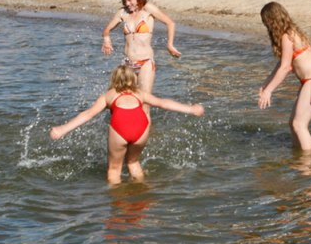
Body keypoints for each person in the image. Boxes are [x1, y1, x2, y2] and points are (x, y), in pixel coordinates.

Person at [49, 63, 204, 185]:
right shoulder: (140, 93)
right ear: (133, 79)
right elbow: (163, 103)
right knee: (133, 162)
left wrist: (63, 129)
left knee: (114, 169)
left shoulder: (109, 95)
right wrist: (190, 109)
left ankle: (119, 207)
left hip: (121, 127)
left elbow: (88, 114)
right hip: (141, 127)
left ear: (114, 80)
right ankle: (141, 194)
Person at [257, 2, 311, 152]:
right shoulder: (290, 32)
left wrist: (269, 91)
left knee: (299, 125)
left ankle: (308, 163)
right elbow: (282, 64)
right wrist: (266, 84)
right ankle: (298, 157)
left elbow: (285, 68)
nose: (266, 26)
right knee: (293, 124)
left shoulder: (287, 36)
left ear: (272, 19)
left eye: (266, 22)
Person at [100, 0, 180, 93]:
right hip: (128, 63)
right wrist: (106, 40)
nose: (127, 4)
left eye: (129, 0)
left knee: (144, 100)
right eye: (124, 0)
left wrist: (170, 45)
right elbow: (106, 30)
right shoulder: (122, 13)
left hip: (145, 62)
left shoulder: (148, 9)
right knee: (126, 100)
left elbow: (170, 23)